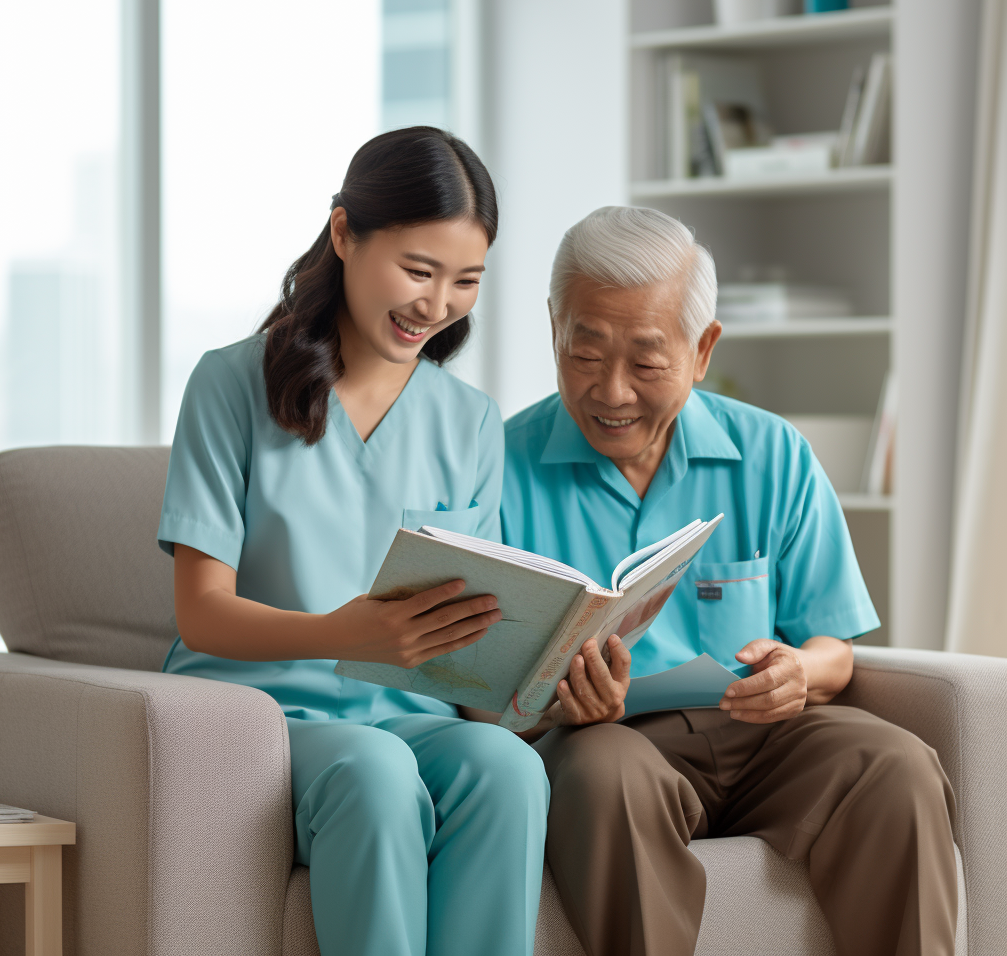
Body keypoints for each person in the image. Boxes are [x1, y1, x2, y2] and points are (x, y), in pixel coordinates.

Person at [500, 206, 957, 956]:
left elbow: (833, 648)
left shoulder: (772, 453)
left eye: (646, 362)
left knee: (897, 766)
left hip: (762, 734)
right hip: (605, 742)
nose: (611, 392)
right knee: (603, 773)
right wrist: (553, 701)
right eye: (584, 354)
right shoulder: (500, 468)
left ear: (702, 347)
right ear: (555, 327)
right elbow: (477, 692)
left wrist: (797, 671)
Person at [157, 127, 549, 956]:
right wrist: (344, 633)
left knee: (508, 769)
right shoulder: (229, 384)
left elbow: (471, 632)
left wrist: (544, 666)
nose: (436, 305)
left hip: (413, 717)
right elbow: (202, 614)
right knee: (375, 775)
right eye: (417, 269)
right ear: (344, 236)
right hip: (263, 718)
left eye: (465, 281)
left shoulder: (471, 421)